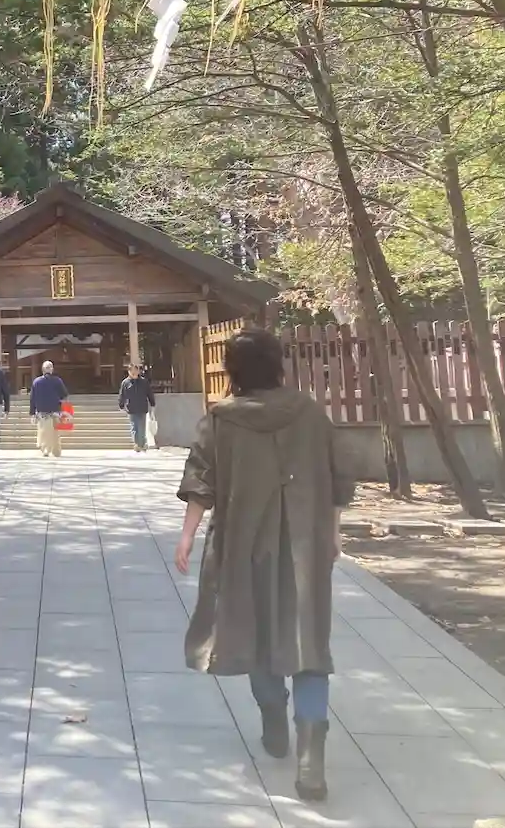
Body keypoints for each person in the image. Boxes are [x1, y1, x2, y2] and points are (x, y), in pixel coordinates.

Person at [173, 328, 355, 803]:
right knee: (308, 640)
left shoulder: (222, 420)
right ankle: (311, 759)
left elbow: (201, 482)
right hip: (305, 544)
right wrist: (333, 530)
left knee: (255, 632)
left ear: (231, 369)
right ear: (278, 364)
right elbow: (338, 476)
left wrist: (188, 535)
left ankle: (273, 715)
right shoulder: (310, 414)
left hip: (243, 544)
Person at [29, 360, 70, 458]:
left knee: (43, 431)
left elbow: (32, 398)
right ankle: (56, 451)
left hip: (42, 411)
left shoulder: (37, 382)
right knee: (55, 432)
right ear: (52, 370)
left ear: (42, 370)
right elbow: (64, 395)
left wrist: (32, 412)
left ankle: (45, 449)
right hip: (55, 410)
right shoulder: (57, 381)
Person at [117, 364, 156, 450]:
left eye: (135, 370)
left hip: (142, 408)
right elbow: (122, 395)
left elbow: (149, 393)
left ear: (138, 371)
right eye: (131, 371)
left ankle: (142, 444)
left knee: (141, 427)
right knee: (134, 427)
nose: (134, 372)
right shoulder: (125, 383)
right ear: (129, 372)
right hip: (131, 409)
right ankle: (137, 444)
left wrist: (152, 404)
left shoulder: (144, 382)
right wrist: (121, 405)